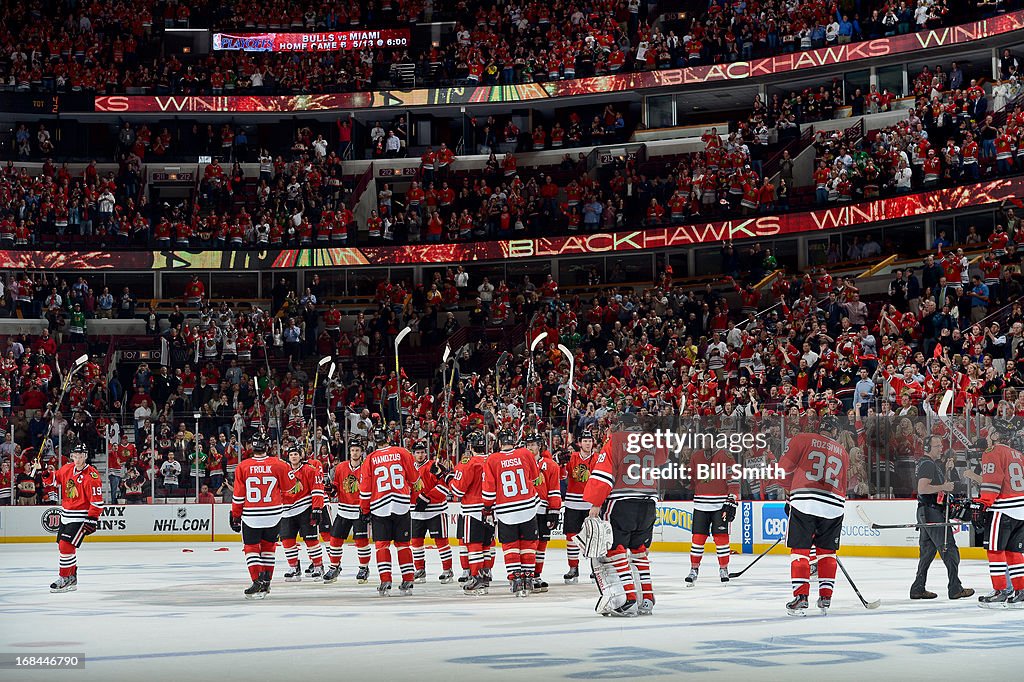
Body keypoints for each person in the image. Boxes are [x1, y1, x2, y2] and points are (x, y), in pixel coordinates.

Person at [583, 416, 662, 616]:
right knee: (639, 549)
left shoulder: (616, 441)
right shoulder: (652, 441)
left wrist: (596, 502)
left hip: (622, 502)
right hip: (648, 502)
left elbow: (603, 475)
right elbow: (662, 459)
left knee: (615, 549)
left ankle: (628, 598)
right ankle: (647, 598)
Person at [779, 416, 849, 616]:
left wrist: (790, 492)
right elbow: (844, 484)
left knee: (800, 551)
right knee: (827, 553)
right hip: (835, 505)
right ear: (836, 432)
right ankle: (826, 598)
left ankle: (801, 597)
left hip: (806, 501)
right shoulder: (843, 452)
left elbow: (782, 471)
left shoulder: (803, 438)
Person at [910, 435, 974, 600]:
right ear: (928, 448)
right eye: (937, 446)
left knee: (927, 552)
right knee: (950, 550)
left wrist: (947, 470)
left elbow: (938, 488)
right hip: (932, 512)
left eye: (940, 445)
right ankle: (955, 588)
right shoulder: (927, 464)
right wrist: (944, 486)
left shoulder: (929, 464)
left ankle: (917, 588)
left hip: (926, 511)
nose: (941, 448)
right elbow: (923, 488)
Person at [229, 435, 290, 599]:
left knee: (251, 548)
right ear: (267, 446)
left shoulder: (243, 466)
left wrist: (235, 514)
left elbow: (239, 495)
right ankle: (266, 582)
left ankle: (257, 580)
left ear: (251, 447)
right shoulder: (279, 464)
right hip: (274, 514)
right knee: (269, 548)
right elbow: (289, 488)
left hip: (252, 515)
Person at [358, 428, 418, 595]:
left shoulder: (369, 459)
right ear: (389, 438)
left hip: (379, 507)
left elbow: (365, 489)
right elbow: (414, 478)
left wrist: (364, 509)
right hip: (401, 505)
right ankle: (408, 579)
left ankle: (385, 580)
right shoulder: (402, 452)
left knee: (382, 545)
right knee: (403, 545)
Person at [482, 430, 541, 597]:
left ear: (500, 443)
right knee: (529, 543)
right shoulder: (525, 453)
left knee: (510, 545)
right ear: (514, 441)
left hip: (506, 509)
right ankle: (528, 577)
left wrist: (487, 507)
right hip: (528, 506)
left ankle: (515, 579)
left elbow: (489, 489)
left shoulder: (492, 459)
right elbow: (535, 477)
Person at [976, 425, 1024, 608]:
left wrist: (984, 502)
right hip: (1021, 509)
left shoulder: (992, 451)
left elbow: (992, 479)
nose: (988, 436)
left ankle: (1000, 591)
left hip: (1003, 509)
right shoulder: (1018, 454)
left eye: (990, 432)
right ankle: (1020, 592)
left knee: (995, 551)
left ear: (996, 436)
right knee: (1014, 552)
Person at [50, 444, 104, 592]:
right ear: (72, 456)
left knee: (65, 546)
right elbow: (54, 480)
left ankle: (64, 578)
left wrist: (92, 518)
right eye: (75, 456)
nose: (78, 459)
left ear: (85, 456)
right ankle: (72, 578)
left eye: (81, 456)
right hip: (65, 515)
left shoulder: (91, 476)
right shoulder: (67, 468)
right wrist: (45, 474)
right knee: (67, 547)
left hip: (80, 517)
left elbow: (97, 501)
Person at [685, 447, 740, 585]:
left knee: (721, 539)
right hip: (700, 505)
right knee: (697, 538)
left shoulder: (725, 455)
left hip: (719, 505)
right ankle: (694, 569)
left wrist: (732, 499)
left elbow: (733, 478)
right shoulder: (696, 456)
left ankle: (723, 568)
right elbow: (691, 481)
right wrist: (684, 479)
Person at [450, 432, 495, 593]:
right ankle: (485, 575)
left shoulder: (468, 462)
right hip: (491, 510)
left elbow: (457, 489)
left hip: (472, 509)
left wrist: (448, 478)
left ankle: (476, 577)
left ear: (470, 446)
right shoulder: (493, 460)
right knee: (487, 545)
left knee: (474, 544)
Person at [324, 438, 372, 583]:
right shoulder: (341, 467)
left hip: (359, 510)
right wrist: (330, 489)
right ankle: (334, 567)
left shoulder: (366, 468)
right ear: (349, 452)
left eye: (357, 450)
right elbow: (336, 488)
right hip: (344, 510)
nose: (355, 452)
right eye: (352, 450)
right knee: (335, 539)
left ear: (361, 452)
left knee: (361, 541)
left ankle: (364, 568)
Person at [410, 440, 454, 583]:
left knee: (441, 541)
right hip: (416, 512)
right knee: (416, 542)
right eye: (417, 452)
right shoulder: (408, 468)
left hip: (436, 511)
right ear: (413, 454)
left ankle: (447, 570)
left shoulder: (434, 466)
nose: (420, 455)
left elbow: (445, 486)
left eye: (422, 452)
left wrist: (427, 497)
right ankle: (420, 570)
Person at [279, 447, 326, 581]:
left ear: (301, 456)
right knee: (287, 540)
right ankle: (294, 567)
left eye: (296, 454)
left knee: (311, 539)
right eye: (291, 454)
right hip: (287, 510)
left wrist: (317, 508)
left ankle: (318, 566)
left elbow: (317, 489)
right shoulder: (283, 471)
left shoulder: (310, 470)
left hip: (305, 508)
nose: (293, 456)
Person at [561, 429, 598, 583]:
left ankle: (595, 569)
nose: (588, 443)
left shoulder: (597, 458)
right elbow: (563, 476)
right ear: (579, 443)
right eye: (585, 441)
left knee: (594, 538)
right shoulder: (572, 457)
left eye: (590, 441)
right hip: (572, 502)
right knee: (571, 537)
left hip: (590, 504)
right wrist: (561, 463)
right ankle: (573, 567)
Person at [529, 433, 562, 592]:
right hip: (525, 510)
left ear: (540, 446)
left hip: (542, 509)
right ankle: (526, 574)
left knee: (541, 543)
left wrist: (554, 510)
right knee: (529, 544)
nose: (531, 447)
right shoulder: (520, 463)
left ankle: (536, 574)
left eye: (534, 444)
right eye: (528, 444)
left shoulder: (551, 465)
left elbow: (554, 490)